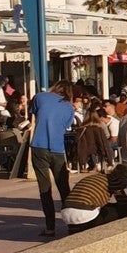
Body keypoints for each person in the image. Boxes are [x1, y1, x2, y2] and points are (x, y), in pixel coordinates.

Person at [29, 81, 76, 237]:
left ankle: (50, 227)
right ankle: (72, 224)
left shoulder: (40, 97)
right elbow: (66, 127)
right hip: (57, 148)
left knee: (44, 189)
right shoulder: (69, 108)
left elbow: (35, 113)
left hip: (38, 145)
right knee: (64, 188)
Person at [61, 170, 118, 234]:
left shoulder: (95, 177)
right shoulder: (115, 182)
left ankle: (75, 227)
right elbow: (124, 205)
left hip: (65, 212)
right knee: (115, 211)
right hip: (84, 212)